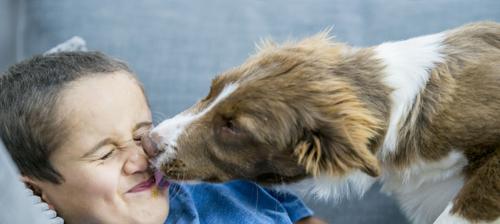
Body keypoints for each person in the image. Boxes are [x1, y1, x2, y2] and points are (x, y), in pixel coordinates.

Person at [0, 51, 326, 224]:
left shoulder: (222, 184)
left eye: (142, 134)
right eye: (104, 153)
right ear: (36, 193)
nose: (142, 158)